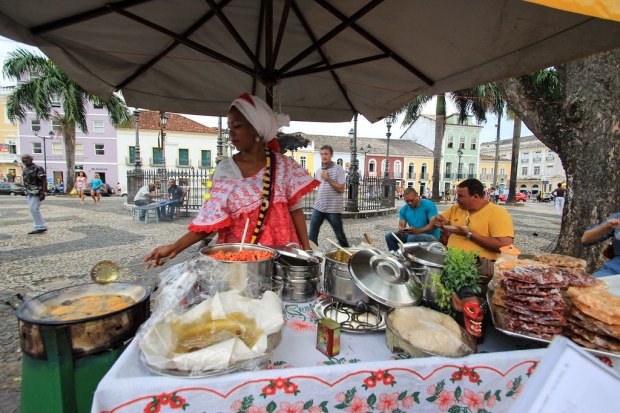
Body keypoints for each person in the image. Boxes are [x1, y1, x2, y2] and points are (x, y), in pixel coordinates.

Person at [145, 93, 319, 266]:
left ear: (257, 128)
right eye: (229, 127)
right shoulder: (225, 171)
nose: (231, 133)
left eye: (237, 126)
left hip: (282, 257)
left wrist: (306, 251)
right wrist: (175, 247)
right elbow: (211, 221)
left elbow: (295, 210)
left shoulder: (284, 166)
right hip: (239, 261)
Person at [430, 178, 514, 261]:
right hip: (451, 259)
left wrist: (469, 234)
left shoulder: (498, 213)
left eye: (461, 196)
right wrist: (436, 220)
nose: (457, 199)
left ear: (475, 197)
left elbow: (505, 246)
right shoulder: (456, 208)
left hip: (480, 265)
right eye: (457, 196)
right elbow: (435, 221)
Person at [308, 145, 349, 248]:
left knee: (340, 235)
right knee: (312, 235)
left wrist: (328, 179)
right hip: (318, 207)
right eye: (322, 154)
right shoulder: (318, 172)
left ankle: (349, 255)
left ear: (331, 155)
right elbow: (320, 189)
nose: (324, 156)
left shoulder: (338, 169)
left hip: (333, 209)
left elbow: (341, 188)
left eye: (326, 154)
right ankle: (312, 258)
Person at [581, 212, 620, 277]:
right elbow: (585, 239)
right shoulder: (618, 217)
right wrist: (608, 226)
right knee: (592, 285)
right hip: (615, 269)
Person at [21, 154, 48, 234]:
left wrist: (43, 192)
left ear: (31, 159)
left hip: (37, 191)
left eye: (26, 159)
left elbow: (44, 180)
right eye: (23, 159)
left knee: (33, 208)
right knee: (32, 209)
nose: (24, 160)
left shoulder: (38, 168)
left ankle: (40, 226)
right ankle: (38, 226)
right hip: (29, 191)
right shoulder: (25, 169)